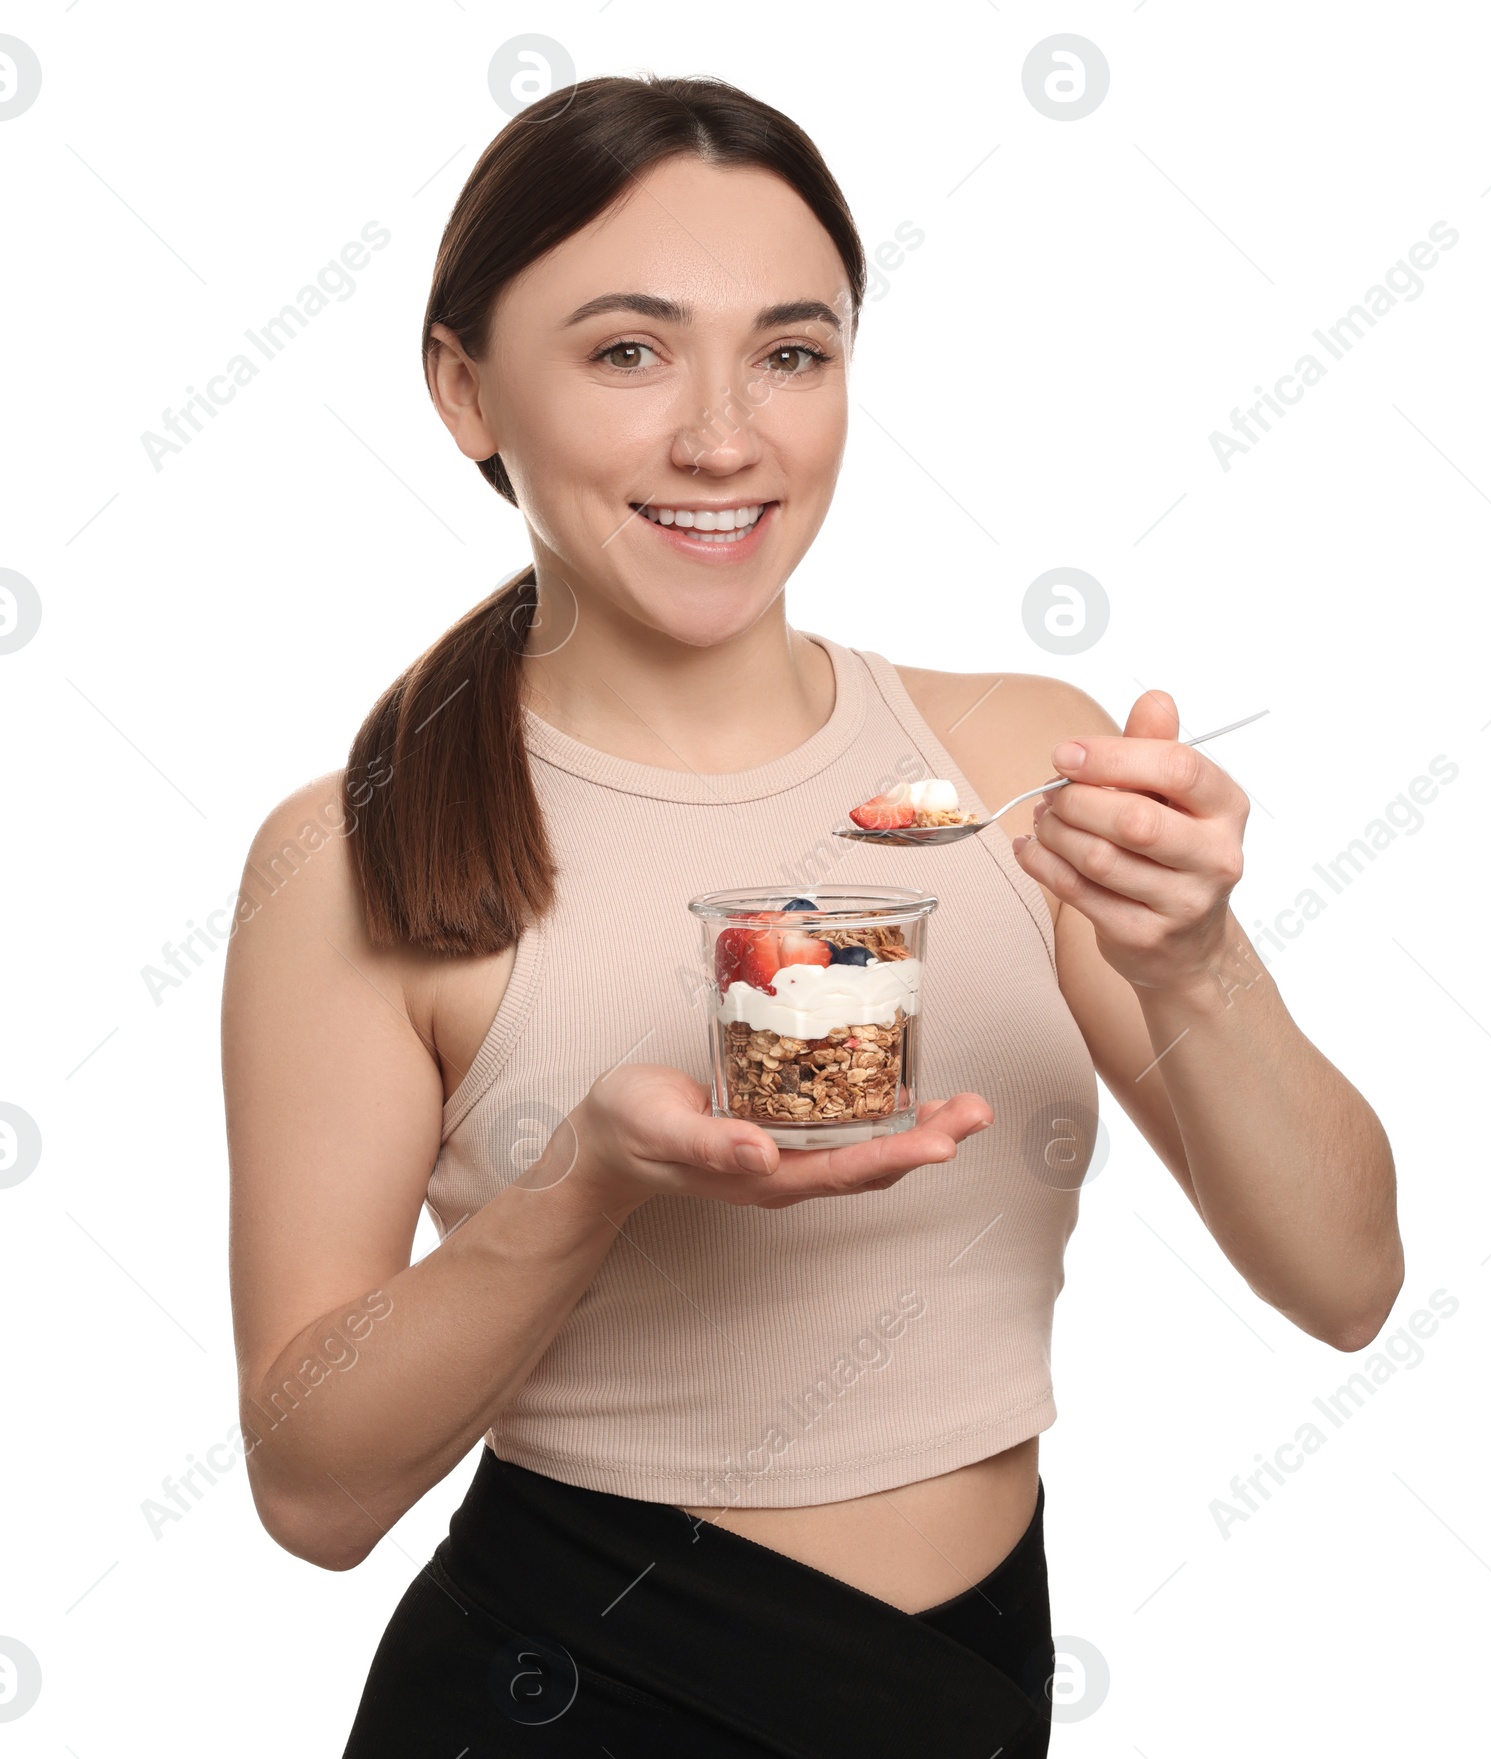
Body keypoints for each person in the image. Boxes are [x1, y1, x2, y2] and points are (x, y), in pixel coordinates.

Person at [221, 73, 1403, 1756]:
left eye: (793, 350)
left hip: (972, 1688)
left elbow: (1349, 1282)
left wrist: (1196, 969)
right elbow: (311, 1490)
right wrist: (587, 1189)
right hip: (566, 1693)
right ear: (465, 389)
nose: (725, 437)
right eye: (628, 351)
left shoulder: (1003, 763)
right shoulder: (358, 864)